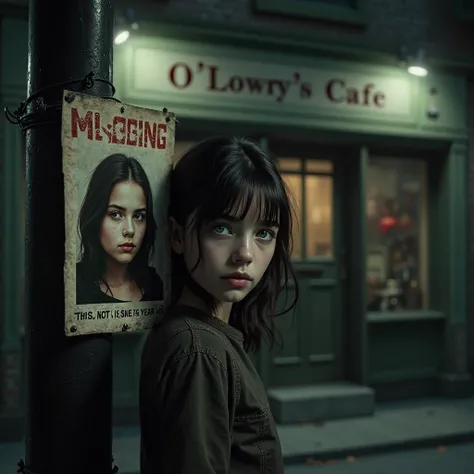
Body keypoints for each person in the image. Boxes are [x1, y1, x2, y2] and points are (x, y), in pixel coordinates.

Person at [139, 137, 299, 473]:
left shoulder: (204, 336)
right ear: (177, 235)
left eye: (264, 233)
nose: (245, 253)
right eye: (222, 228)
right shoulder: (198, 349)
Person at [76, 153, 163, 304]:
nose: (130, 230)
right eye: (116, 214)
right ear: (96, 217)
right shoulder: (74, 286)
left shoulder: (155, 285)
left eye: (139, 216)